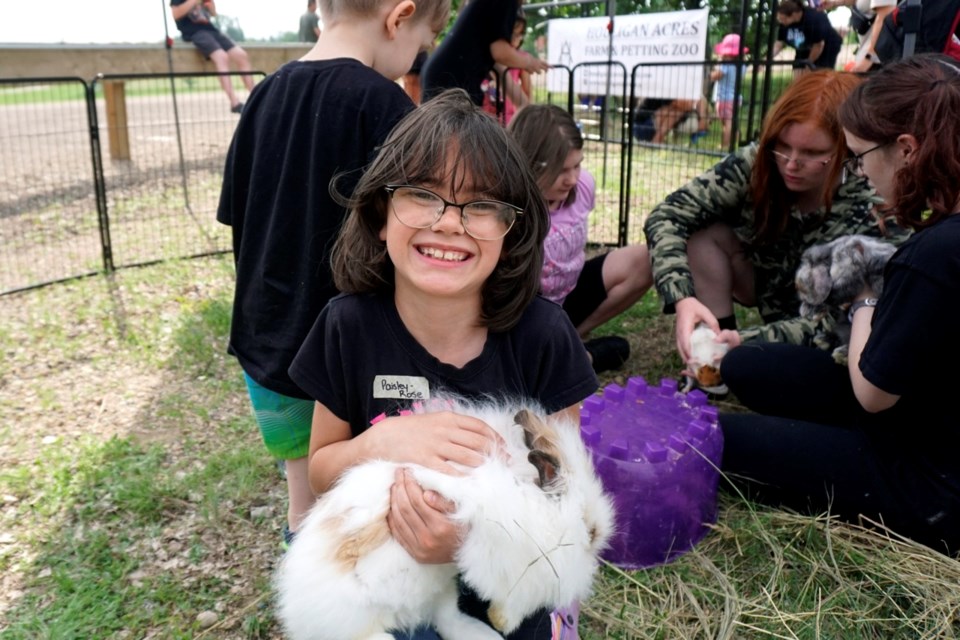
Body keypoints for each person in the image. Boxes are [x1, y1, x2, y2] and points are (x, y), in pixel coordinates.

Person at [288, 89, 598, 638]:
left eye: (481, 204)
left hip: (500, 589)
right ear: (381, 215)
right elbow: (319, 471)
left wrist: (471, 545)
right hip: (392, 590)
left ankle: (554, 621)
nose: (450, 222)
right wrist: (378, 444)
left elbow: (565, 503)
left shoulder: (544, 337)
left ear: (512, 230)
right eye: (422, 194)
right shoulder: (347, 327)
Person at [216, 0, 448, 549]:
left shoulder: (263, 94)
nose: (416, 57)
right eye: (422, 42)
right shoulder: (386, 107)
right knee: (362, 497)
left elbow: (237, 215)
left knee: (305, 491)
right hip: (351, 356)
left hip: (265, 342)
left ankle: (307, 571)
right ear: (399, 17)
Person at [717, 54, 960, 556]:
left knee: (719, 438)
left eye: (859, 155)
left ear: (907, 149)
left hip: (931, 481)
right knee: (748, 366)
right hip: (929, 414)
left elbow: (873, 392)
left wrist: (862, 298)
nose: (861, 172)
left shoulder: (936, 254)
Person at [643, 70, 910, 374]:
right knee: (703, 233)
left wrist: (748, 341)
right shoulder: (760, 161)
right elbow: (669, 214)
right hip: (765, 282)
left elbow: (842, 318)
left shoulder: (875, 199)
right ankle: (716, 345)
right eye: (783, 146)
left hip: (826, 319)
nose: (792, 163)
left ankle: (730, 354)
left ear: (846, 148)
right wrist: (682, 298)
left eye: (813, 153)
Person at [508, 104, 650, 373]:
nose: (573, 178)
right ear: (529, 163)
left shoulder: (583, 185)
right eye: (562, 170)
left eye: (578, 165)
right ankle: (564, 354)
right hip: (523, 311)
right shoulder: (508, 210)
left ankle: (569, 340)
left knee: (644, 259)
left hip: (567, 297)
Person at [420, 0, 550, 106]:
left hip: (444, 77)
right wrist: (529, 62)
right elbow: (500, 52)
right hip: (451, 82)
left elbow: (499, 65)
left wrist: (527, 108)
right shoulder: (505, 3)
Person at [169, 0, 256, 113]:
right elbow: (176, 14)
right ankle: (234, 102)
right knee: (221, 57)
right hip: (195, 32)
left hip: (211, 30)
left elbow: (213, 13)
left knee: (241, 55)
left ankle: (255, 95)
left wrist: (211, 6)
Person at [481, 11, 532, 124]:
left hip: (508, 119)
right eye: (513, 33)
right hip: (484, 117)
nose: (516, 39)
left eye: (520, 34)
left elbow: (527, 91)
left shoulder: (522, 58)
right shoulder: (487, 56)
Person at [819, 0, 896, 73]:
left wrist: (869, 58)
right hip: (869, 56)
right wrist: (834, 2)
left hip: (877, 59)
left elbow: (884, 15)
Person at [773, 0, 843, 72]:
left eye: (783, 19)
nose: (781, 21)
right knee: (799, 75)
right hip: (804, 47)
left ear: (794, 15)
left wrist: (808, 63)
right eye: (780, 19)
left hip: (827, 46)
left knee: (819, 75)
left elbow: (819, 45)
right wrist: (766, 60)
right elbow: (779, 44)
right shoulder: (785, 23)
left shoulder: (813, 19)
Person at [710, 33, 748, 150]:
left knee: (727, 124)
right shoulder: (742, 65)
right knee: (731, 122)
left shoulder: (725, 65)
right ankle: (738, 141)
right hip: (735, 98)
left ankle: (725, 145)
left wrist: (716, 67)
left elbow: (714, 76)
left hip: (724, 99)